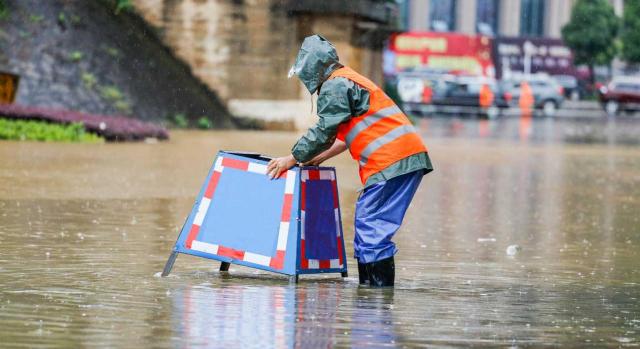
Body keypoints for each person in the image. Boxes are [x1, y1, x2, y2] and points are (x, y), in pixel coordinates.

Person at [266, 35, 433, 287]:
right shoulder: (348, 79)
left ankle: (377, 300)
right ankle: (369, 296)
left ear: (313, 67)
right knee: (369, 224)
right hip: (401, 159)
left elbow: (324, 130)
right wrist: (317, 157)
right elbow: (345, 137)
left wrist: (292, 158)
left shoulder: (335, 85)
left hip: (391, 162)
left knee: (372, 226)